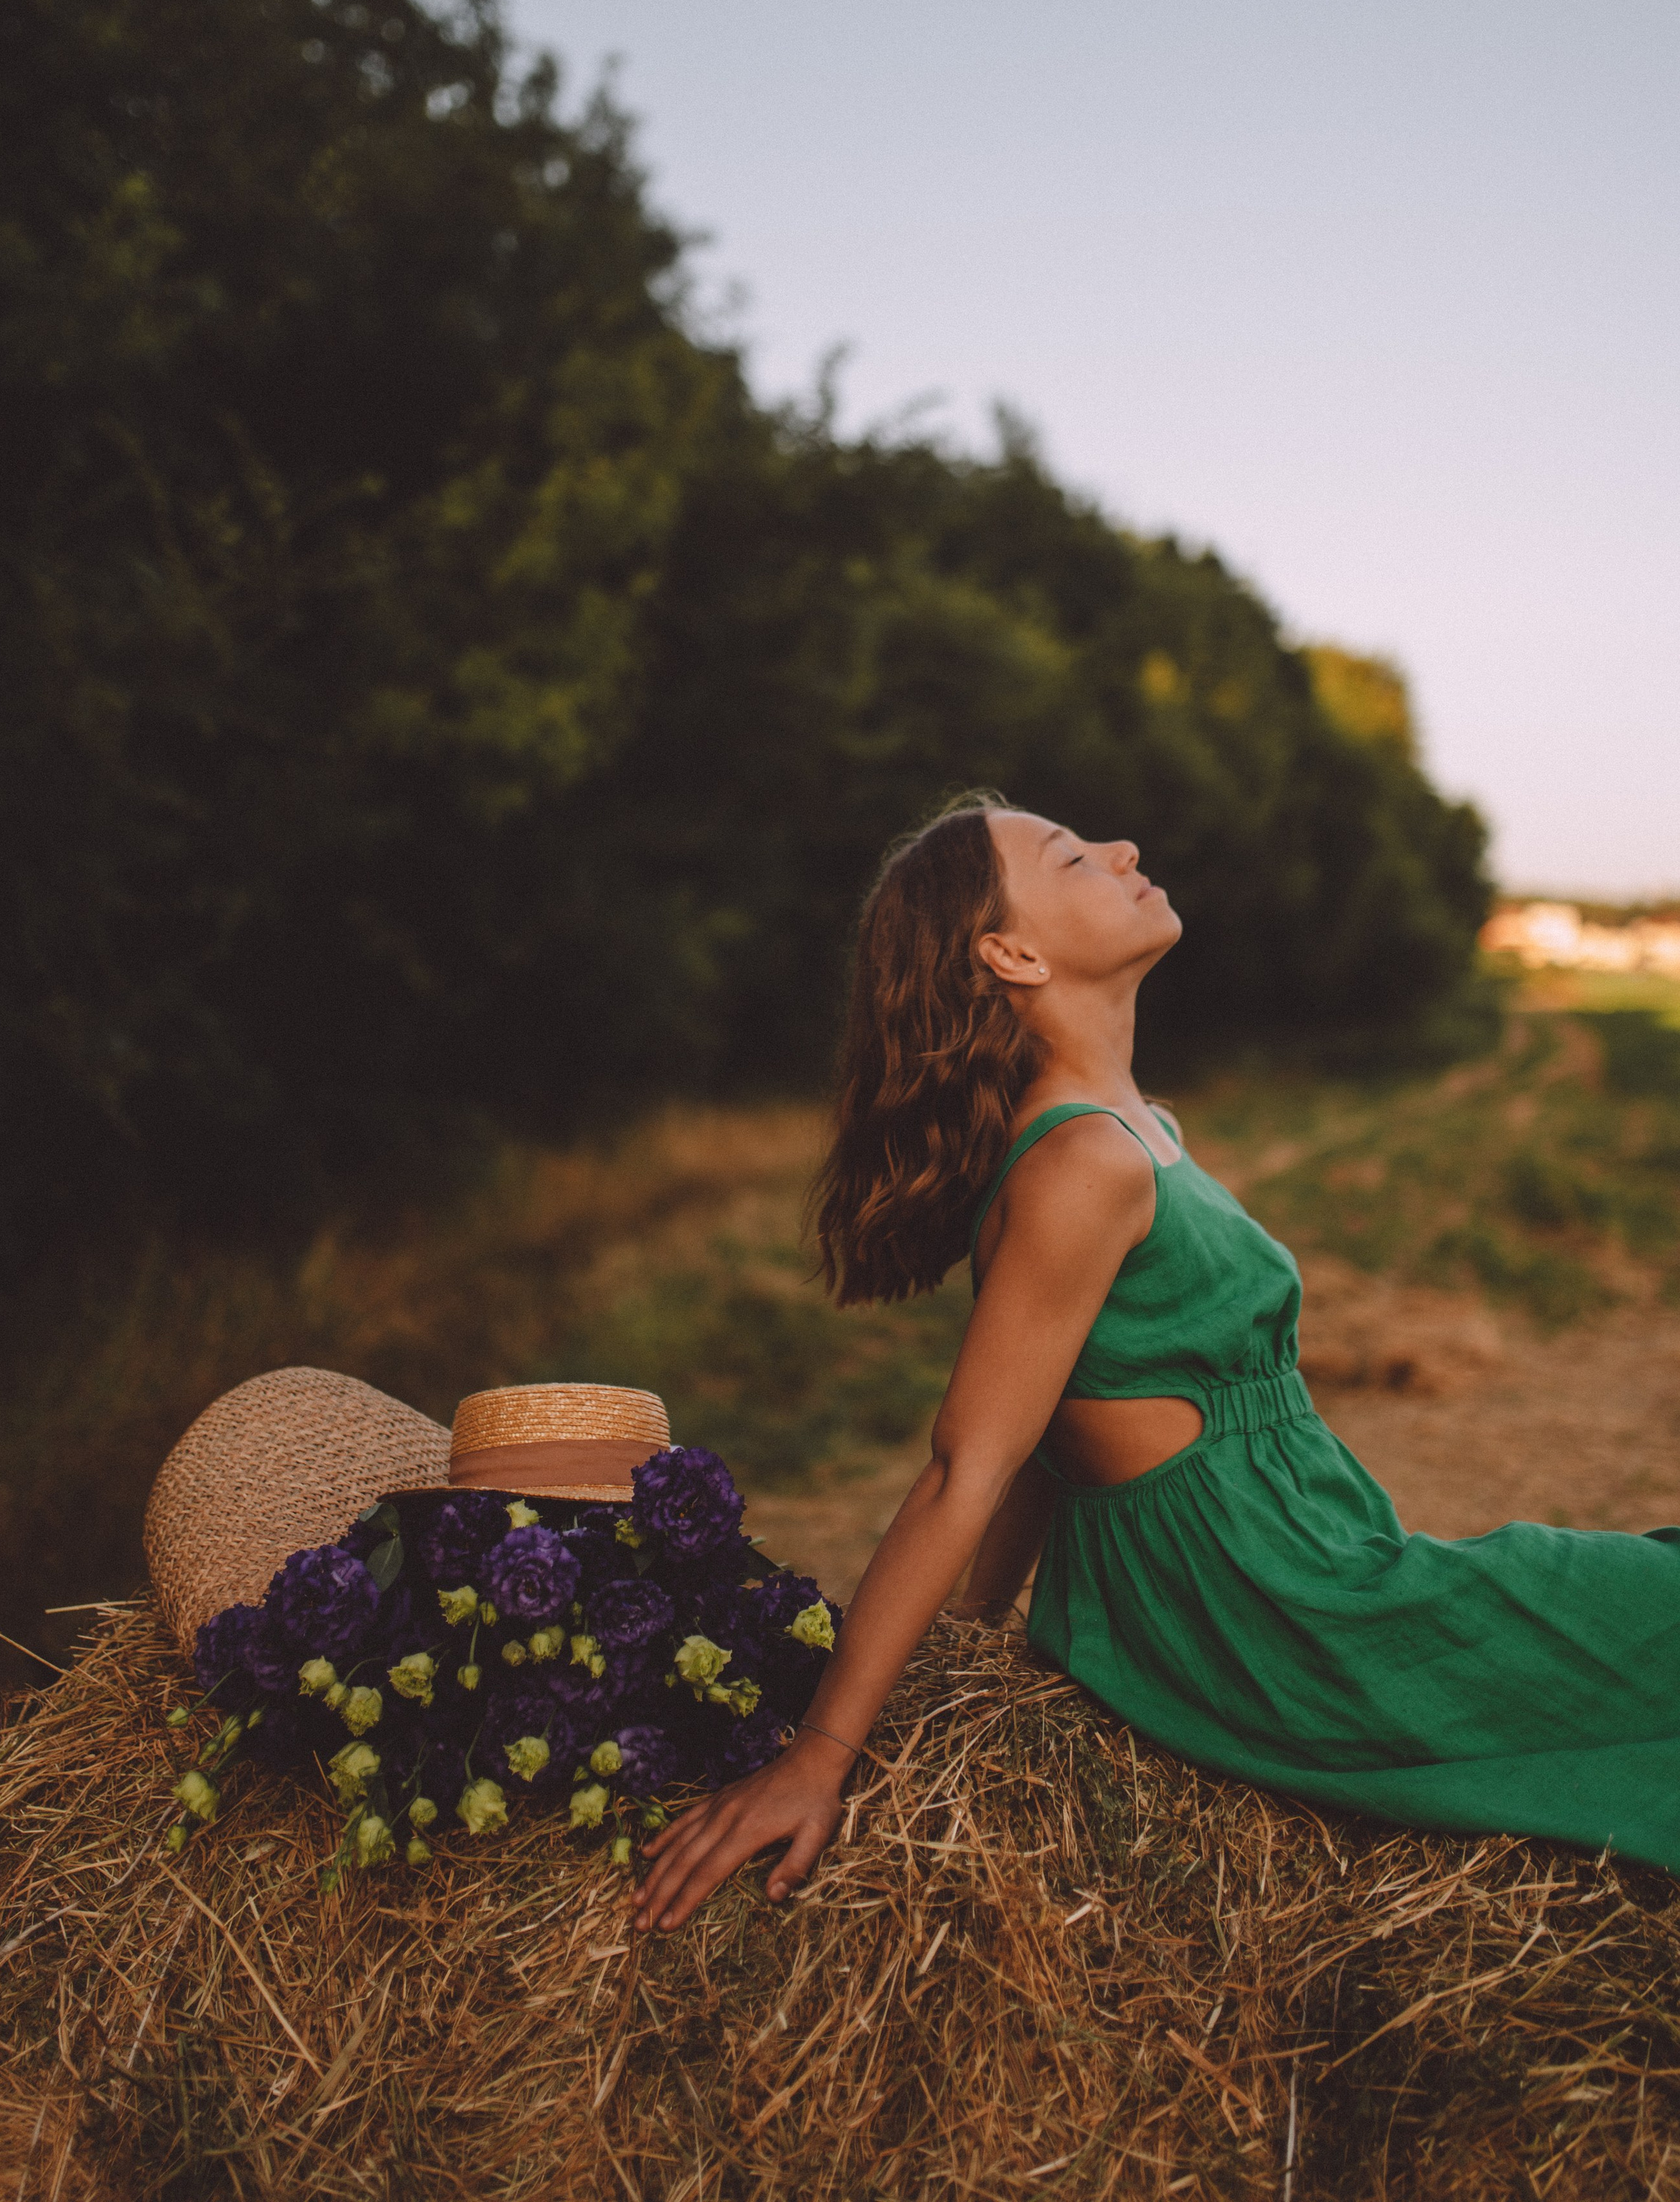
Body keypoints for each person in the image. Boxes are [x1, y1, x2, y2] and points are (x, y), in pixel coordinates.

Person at [632, 797, 1680, 1934]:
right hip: (1280, 1617)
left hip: (1325, 1564)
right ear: (1012, 954)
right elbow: (967, 1467)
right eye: (1074, 857)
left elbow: (1056, 1427)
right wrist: (821, 1756)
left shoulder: (1136, 1127)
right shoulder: (1083, 1163)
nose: (1123, 849)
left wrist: (974, 1642)